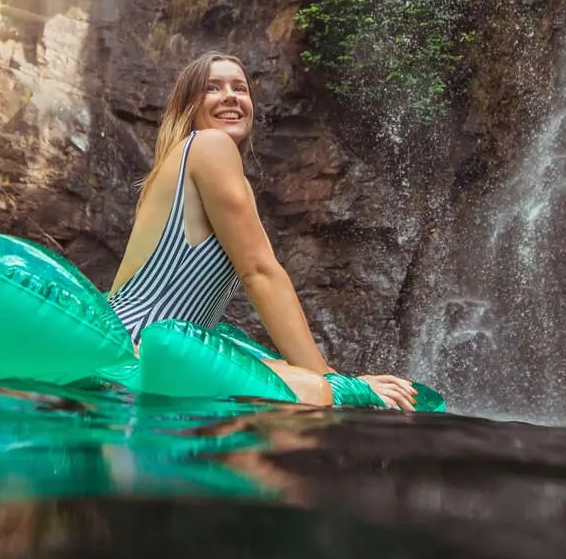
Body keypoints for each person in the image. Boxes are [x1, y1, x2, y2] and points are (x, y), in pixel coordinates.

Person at [108, 52, 417, 411]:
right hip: (139, 349)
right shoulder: (210, 145)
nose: (231, 96)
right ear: (188, 106)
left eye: (240, 88)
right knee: (312, 393)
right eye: (213, 88)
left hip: (154, 346)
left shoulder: (199, 163)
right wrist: (334, 381)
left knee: (299, 381)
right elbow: (260, 272)